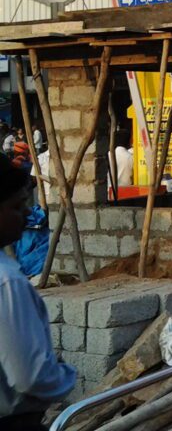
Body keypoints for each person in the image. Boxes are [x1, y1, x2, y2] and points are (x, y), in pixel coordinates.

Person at [0, 154, 77, 427]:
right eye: (17, 206)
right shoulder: (8, 281)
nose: (25, 214)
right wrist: (65, 375)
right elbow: (29, 376)